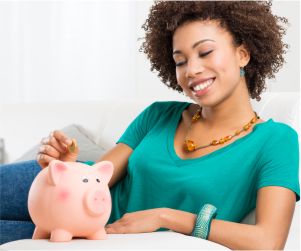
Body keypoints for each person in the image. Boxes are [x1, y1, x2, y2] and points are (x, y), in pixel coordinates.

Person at [0, 1, 299, 249]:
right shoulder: (158, 115)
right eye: (180, 61)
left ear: (242, 54)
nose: (192, 70)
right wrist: (71, 168)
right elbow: (98, 177)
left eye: (205, 52)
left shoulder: (275, 140)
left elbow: (268, 241)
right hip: (67, 195)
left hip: (94, 235)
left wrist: (166, 217)